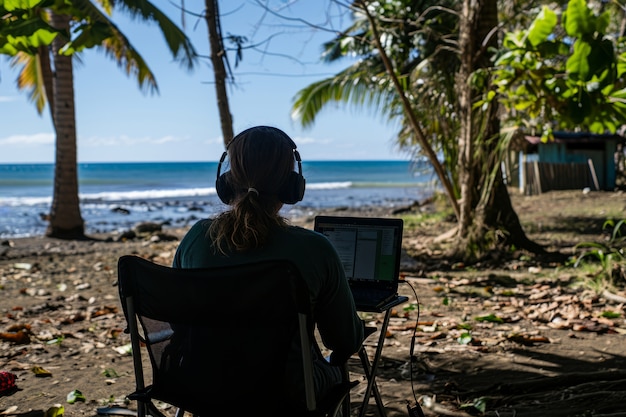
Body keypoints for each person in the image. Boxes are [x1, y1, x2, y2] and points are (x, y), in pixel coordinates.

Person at [172, 125, 365, 407]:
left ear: (226, 181)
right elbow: (345, 341)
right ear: (292, 186)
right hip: (289, 394)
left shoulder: (197, 238)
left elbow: (178, 321)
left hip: (204, 388)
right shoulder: (315, 248)